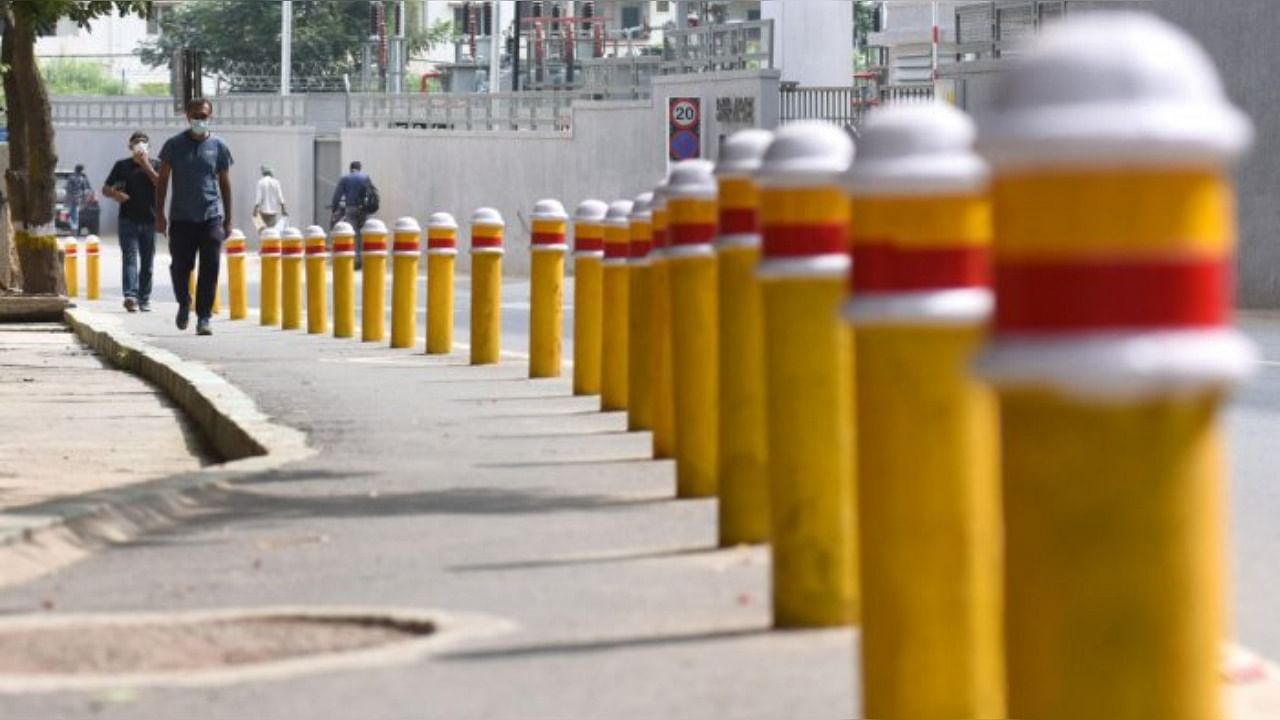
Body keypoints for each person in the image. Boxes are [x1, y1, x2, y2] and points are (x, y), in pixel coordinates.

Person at [156, 97, 234, 336]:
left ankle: (204, 317)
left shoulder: (219, 146)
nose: (200, 120)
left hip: (211, 216)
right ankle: (183, 302)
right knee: (180, 266)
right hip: (181, 219)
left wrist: (228, 218)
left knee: (210, 268)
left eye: (204, 116)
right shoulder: (173, 145)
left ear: (211, 116)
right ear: (188, 117)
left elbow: (225, 182)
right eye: (195, 116)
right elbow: (162, 180)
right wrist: (159, 213)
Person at [102, 131, 160, 313]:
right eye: (136, 143)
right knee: (129, 258)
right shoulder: (122, 166)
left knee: (148, 262)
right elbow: (105, 188)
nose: (140, 146)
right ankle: (131, 296)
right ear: (130, 147)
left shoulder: (157, 165)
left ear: (149, 148)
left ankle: (144, 298)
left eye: (143, 143)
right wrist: (115, 194)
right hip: (128, 219)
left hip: (150, 220)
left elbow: (161, 185)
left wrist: (145, 164)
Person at [331, 161, 373, 269]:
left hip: (350, 209)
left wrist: (334, 209)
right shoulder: (365, 177)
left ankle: (356, 261)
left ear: (350, 168)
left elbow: (337, 195)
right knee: (364, 234)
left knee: (354, 234)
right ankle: (366, 259)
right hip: (364, 210)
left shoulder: (345, 179)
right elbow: (372, 194)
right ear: (360, 168)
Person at [253, 164, 286, 232]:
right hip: (273, 212)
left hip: (262, 211)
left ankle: (263, 242)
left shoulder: (260, 182)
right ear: (271, 172)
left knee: (262, 232)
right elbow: (280, 197)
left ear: (263, 173)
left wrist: (255, 210)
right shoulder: (276, 182)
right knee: (272, 233)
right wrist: (283, 210)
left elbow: (258, 198)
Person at [65, 164, 92, 234]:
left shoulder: (71, 178)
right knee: (75, 215)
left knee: (68, 214)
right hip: (78, 200)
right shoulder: (83, 179)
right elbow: (86, 190)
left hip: (71, 200)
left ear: (75, 169)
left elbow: (68, 188)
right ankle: (74, 228)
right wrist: (84, 198)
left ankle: (73, 228)